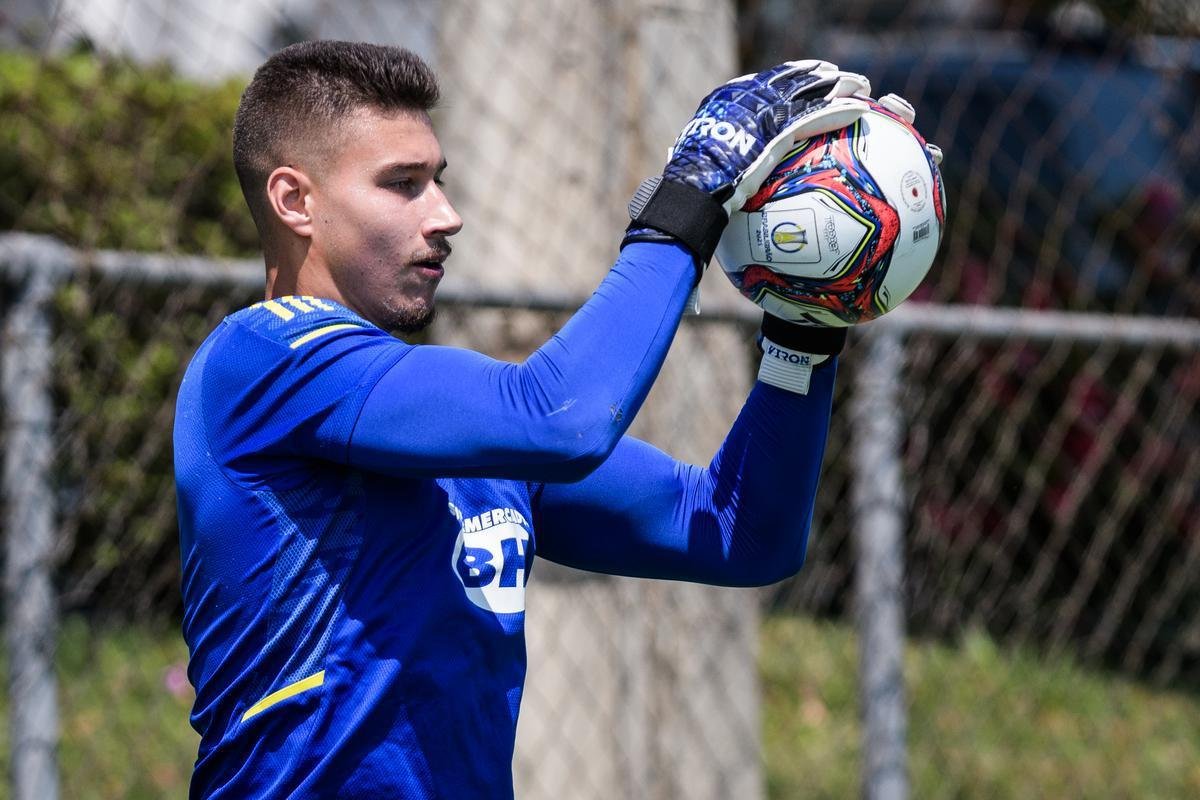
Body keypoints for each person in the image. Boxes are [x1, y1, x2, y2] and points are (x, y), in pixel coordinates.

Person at [174, 39, 870, 798]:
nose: (447, 215)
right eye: (402, 185)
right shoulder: (265, 360)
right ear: (294, 201)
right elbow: (562, 417)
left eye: (438, 180)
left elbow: (742, 531)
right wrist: (689, 198)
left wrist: (804, 333)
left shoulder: (471, 434)